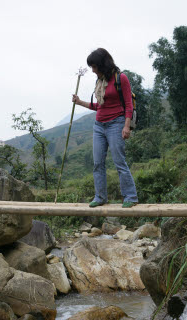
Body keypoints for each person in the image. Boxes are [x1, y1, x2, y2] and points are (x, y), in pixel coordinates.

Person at [72, 48, 138, 208]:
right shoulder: (99, 82)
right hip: (99, 126)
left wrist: (126, 126)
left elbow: (128, 103)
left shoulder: (120, 78)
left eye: (94, 66)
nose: (93, 70)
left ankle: (130, 197)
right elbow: (100, 106)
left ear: (102, 64)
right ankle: (100, 197)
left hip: (116, 124)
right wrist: (80, 102)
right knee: (97, 163)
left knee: (119, 162)